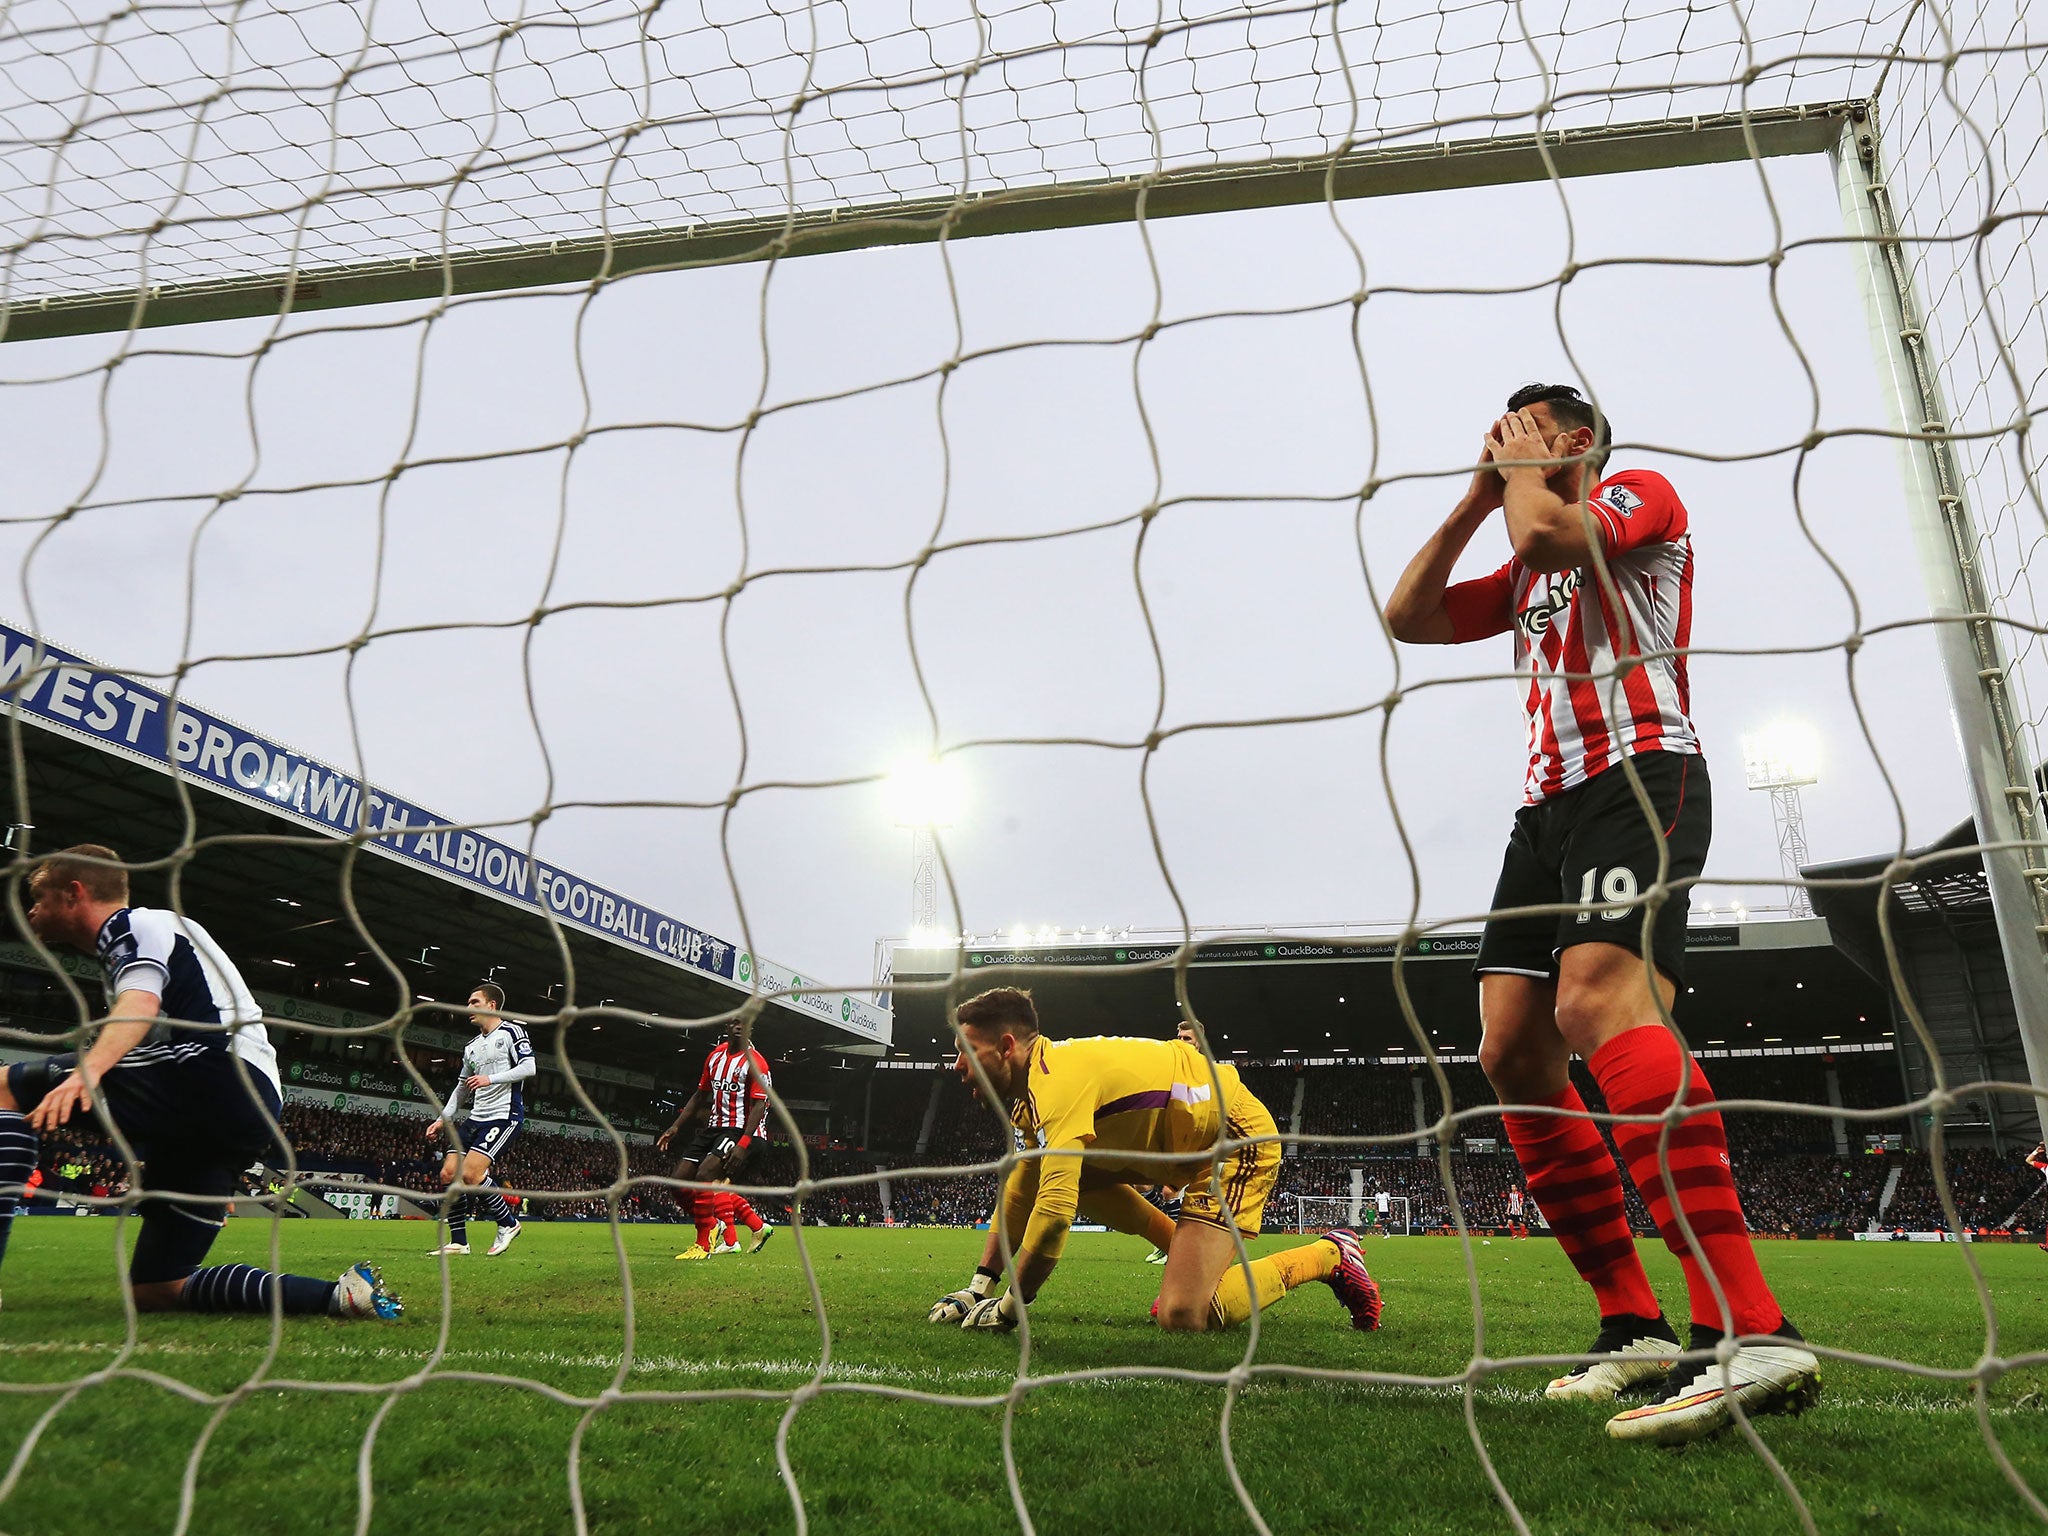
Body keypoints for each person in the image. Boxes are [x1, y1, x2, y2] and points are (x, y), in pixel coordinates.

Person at [1386, 383, 1819, 1444]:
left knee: (1596, 1007)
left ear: (1574, 439)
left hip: (1639, 776)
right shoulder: (1526, 544)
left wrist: (1522, 481)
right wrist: (1468, 500)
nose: (1505, 442)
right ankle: (1631, 1324)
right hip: (1543, 812)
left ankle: (1754, 1332)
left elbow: (1546, 535)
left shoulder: (1635, 496)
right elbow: (1408, 616)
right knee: (1509, 1053)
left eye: (1524, 428)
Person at [0, 845, 398, 1319]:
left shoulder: (135, 926)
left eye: (38, 898)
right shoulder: (152, 942)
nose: (31, 911)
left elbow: (139, 1008)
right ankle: (340, 1297)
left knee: (4, 1085)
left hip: (214, 1072)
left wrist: (85, 1074)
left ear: (74, 893)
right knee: (158, 1286)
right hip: (241, 1110)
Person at [924, 988, 1381, 1334]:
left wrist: (1010, 1307)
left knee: (1184, 1314)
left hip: (1233, 1141)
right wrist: (979, 1285)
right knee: (1040, 1171)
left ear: (1006, 1047)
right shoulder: (1029, 1098)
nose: (957, 1065)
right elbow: (1023, 1187)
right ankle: (1180, 1254)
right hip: (1178, 1148)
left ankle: (1331, 1253)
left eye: (966, 1050)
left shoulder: (1058, 1085)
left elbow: (1055, 1216)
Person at [423, 983, 532, 1258]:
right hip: (475, 1118)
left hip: (504, 1115)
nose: (468, 1007)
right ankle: (459, 1241)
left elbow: (529, 1067)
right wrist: (442, 1120)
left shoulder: (511, 1032)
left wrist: (489, 1079)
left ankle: (509, 1223)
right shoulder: (471, 1046)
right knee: (448, 1174)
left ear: (491, 1005)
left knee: (471, 1175)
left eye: (474, 1002)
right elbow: (461, 1088)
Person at [658, 1023, 775, 1259]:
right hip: (713, 1129)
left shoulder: (757, 1063)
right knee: (678, 1182)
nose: (740, 1026)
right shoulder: (715, 1056)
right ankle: (716, 1225)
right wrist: (676, 1126)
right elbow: (700, 1094)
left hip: (739, 1131)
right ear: (727, 1026)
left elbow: (760, 1105)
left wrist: (743, 1144)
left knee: (706, 1177)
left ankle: (704, 1244)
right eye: (735, 1022)